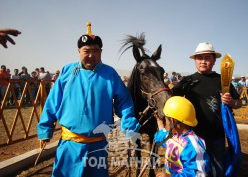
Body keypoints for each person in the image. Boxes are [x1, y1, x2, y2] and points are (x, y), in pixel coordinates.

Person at [37, 23, 140, 176]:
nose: (91, 55)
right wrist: (45, 129)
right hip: (70, 144)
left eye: (95, 51)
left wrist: (129, 124)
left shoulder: (110, 74)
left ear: (101, 52)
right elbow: (53, 102)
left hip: (97, 145)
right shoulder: (68, 71)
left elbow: (124, 101)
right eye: (86, 51)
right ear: (79, 51)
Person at [172, 42, 242, 177]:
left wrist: (232, 102)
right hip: (193, 137)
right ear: (195, 60)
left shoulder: (223, 80)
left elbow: (240, 102)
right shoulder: (187, 81)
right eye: (199, 58)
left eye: (207, 57)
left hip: (216, 135)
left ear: (214, 60)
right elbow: (171, 100)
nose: (203, 61)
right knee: (196, 171)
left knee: (217, 171)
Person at [155, 96, 210, 177]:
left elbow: (198, 174)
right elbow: (161, 137)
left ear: (172, 121)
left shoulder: (193, 146)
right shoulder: (174, 136)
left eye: (165, 119)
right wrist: (159, 121)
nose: (165, 122)